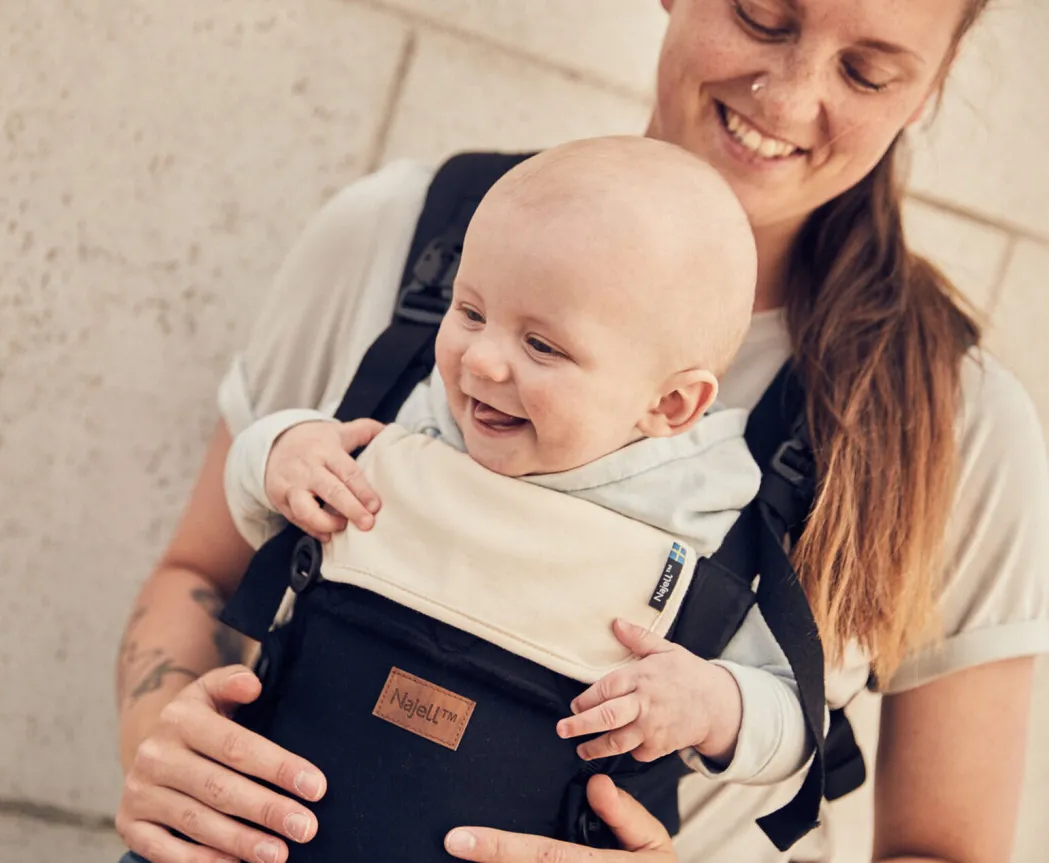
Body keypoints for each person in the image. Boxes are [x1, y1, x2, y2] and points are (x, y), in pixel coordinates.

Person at [113, 2, 1049, 862]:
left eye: (868, 72)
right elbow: (202, 570)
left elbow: (947, 846)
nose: (791, 96)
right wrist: (169, 749)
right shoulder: (407, 233)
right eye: (761, 16)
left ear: (934, 79)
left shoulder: (961, 425)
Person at [208, 136, 814, 859]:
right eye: (469, 311)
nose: (481, 359)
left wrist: (712, 704)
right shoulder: (414, 420)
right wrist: (281, 450)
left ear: (672, 404)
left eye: (542, 346)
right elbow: (267, 528)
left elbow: (793, 719)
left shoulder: (692, 527)